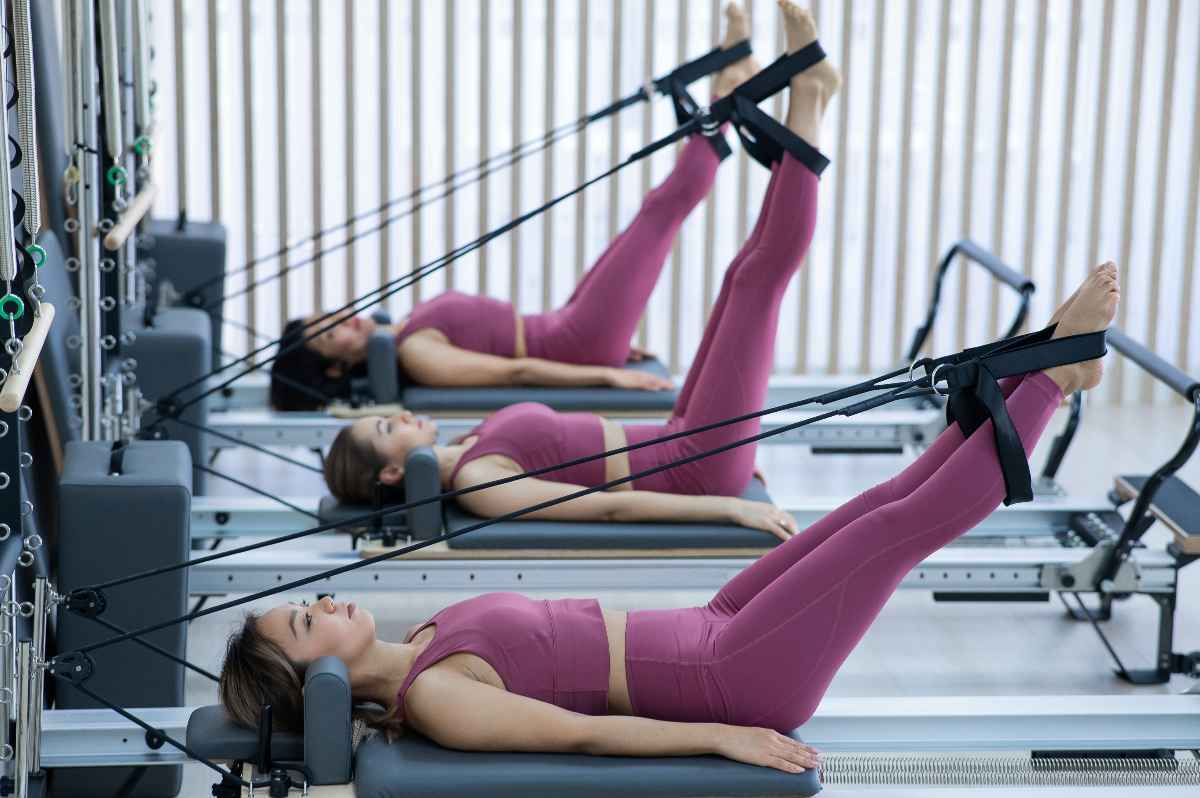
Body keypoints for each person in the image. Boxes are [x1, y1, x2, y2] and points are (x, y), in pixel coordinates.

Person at [221, 0, 1119, 774]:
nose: (323, 600)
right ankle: (1048, 374)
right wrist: (718, 737)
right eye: (306, 622)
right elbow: (577, 735)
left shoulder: (421, 645)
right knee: (890, 525)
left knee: (872, 487)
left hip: (708, 620)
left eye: (304, 602)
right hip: (731, 670)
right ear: (314, 685)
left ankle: (1056, 365)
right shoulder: (436, 697)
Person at [267, 5, 762, 411]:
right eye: (331, 335)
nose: (344, 319)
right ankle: (729, 87)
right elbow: (514, 371)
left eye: (329, 315)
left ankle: (730, 83)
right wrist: (605, 375)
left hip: (570, 323)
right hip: (577, 337)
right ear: (335, 367)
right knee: (660, 212)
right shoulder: (416, 353)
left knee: (652, 215)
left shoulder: (405, 331)